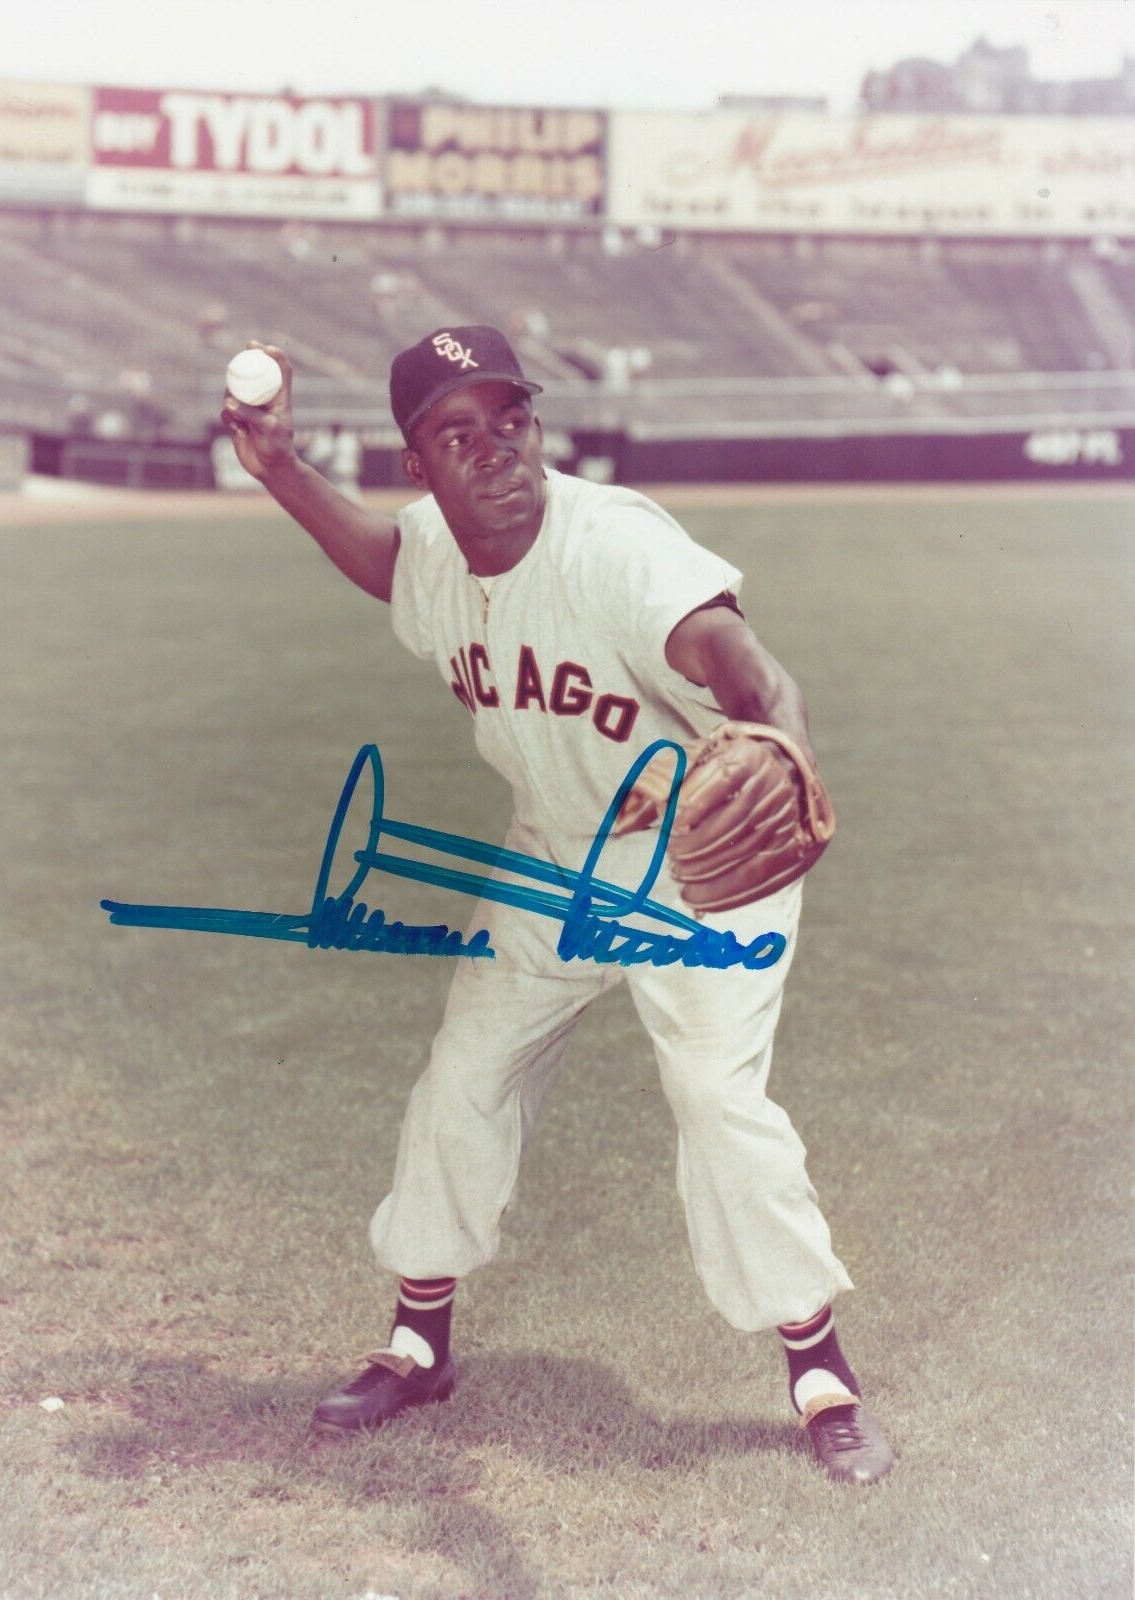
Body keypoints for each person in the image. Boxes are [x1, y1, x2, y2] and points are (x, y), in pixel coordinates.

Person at [220, 326, 895, 1485]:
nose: (495, 450)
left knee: (711, 1096)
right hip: (550, 859)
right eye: (457, 433)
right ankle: (417, 1342)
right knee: (463, 1073)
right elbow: (388, 560)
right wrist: (280, 469)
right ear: (420, 461)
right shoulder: (435, 545)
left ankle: (819, 1373)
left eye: (510, 420)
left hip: (696, 854)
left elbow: (752, 671)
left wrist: (778, 754)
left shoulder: (615, 549)